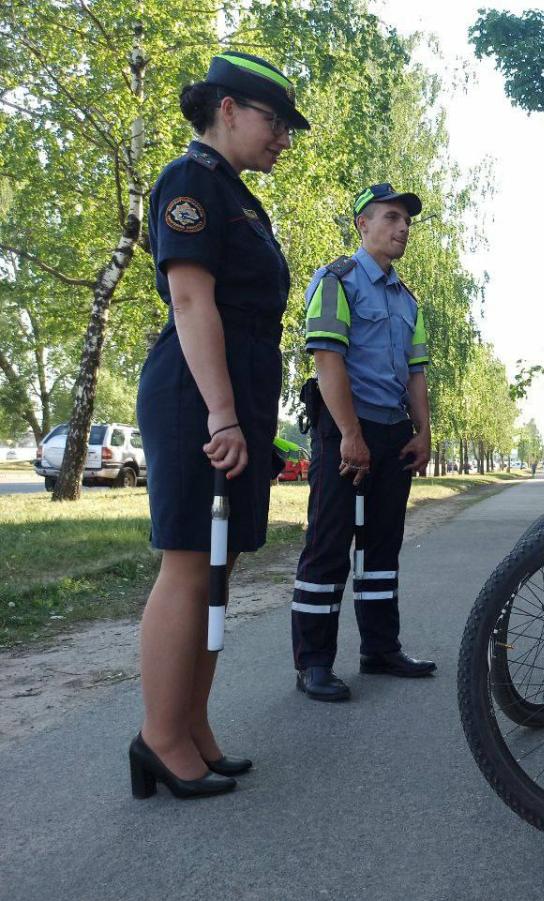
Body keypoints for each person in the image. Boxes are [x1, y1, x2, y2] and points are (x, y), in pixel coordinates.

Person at [130, 51, 309, 800]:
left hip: (232, 396)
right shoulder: (191, 181)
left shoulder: (236, 195)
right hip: (197, 398)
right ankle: (159, 737)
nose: (285, 140)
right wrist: (225, 415)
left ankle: (191, 724)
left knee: (219, 564)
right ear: (227, 108)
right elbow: (192, 303)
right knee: (187, 561)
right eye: (275, 122)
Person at [290, 183, 436, 702]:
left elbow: (416, 372)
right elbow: (327, 360)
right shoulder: (337, 281)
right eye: (392, 218)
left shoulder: (406, 298)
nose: (402, 229)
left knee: (381, 546)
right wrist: (350, 433)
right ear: (363, 224)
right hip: (344, 427)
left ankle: (380, 648)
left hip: (392, 432)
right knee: (329, 545)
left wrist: (422, 432)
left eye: (407, 222)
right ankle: (313, 663)